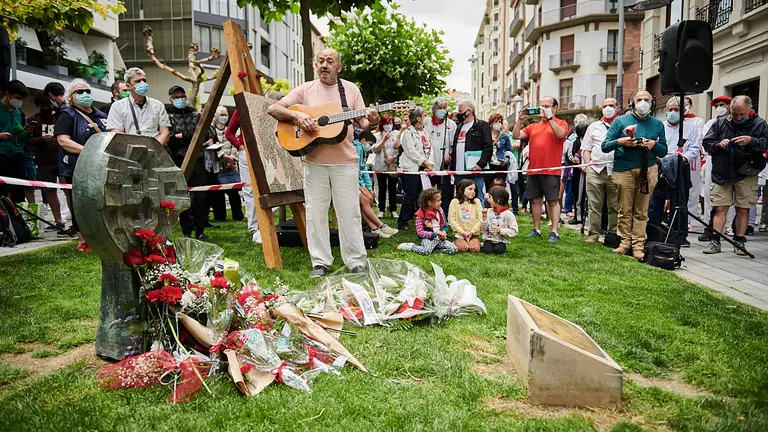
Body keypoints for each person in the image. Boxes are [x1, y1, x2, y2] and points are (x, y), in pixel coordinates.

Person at [267, 48, 378, 277]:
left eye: (330, 61)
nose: (324, 65)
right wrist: (298, 116)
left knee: (349, 212)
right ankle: (320, 262)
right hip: (314, 162)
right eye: (320, 61)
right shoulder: (305, 89)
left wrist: (373, 121)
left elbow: (364, 123)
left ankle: (355, 260)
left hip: (345, 162)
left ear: (339, 67)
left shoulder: (350, 90)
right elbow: (273, 108)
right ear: (315, 65)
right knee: (316, 213)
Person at [602, 90, 667, 260]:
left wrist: (653, 145)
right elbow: (605, 146)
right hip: (624, 168)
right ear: (632, 103)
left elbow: (664, 150)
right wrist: (620, 141)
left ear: (652, 103)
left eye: (647, 100)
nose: (643, 103)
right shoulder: (620, 121)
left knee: (642, 210)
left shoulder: (658, 124)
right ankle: (624, 243)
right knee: (625, 209)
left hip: (648, 169)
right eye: (640, 100)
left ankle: (639, 245)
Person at [701, 96, 767, 255]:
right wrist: (719, 144)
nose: (737, 118)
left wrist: (751, 141)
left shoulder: (759, 124)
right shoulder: (720, 123)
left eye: (742, 115)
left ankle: (739, 241)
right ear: (730, 109)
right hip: (723, 171)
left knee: (743, 209)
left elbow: (765, 143)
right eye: (735, 114)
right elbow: (707, 143)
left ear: (749, 110)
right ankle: (715, 241)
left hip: (746, 171)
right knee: (720, 208)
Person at [54, 79, 108, 251]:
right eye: (79, 92)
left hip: (100, 166)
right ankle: (83, 240)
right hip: (76, 167)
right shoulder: (67, 115)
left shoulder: (102, 116)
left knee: (100, 202)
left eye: (87, 91)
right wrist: (88, 150)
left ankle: (101, 237)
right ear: (71, 97)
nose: (85, 94)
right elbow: (63, 140)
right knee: (79, 205)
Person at [512, 96, 569, 242]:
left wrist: (550, 119)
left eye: (547, 105)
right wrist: (520, 120)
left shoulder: (561, 123)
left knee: (553, 200)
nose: (543, 108)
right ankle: (536, 229)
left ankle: (554, 231)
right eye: (542, 105)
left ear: (555, 108)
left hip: (552, 169)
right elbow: (516, 135)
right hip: (534, 169)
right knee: (535, 200)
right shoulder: (533, 126)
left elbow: (560, 134)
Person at [648, 97, 701, 248]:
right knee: (656, 200)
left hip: (680, 166)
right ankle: (654, 230)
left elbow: (694, 148)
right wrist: (660, 158)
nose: (673, 112)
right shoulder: (659, 127)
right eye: (670, 109)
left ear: (683, 111)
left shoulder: (691, 128)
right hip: (660, 164)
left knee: (680, 201)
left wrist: (684, 159)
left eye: (676, 110)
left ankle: (680, 235)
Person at [165, 85, 208, 240]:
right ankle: (187, 231)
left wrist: (182, 136)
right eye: (176, 97)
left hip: (198, 159)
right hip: (178, 160)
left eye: (182, 96)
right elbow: (170, 139)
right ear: (170, 99)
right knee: (183, 196)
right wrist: (186, 138)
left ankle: (201, 230)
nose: (180, 99)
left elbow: (204, 134)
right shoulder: (166, 116)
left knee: (202, 196)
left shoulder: (195, 115)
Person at [582, 98, 620, 243]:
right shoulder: (593, 126)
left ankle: (613, 234)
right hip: (595, 170)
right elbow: (586, 149)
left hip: (615, 171)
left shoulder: (622, 125)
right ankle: (593, 234)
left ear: (617, 108)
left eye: (611, 105)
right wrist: (587, 166)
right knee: (594, 205)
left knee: (615, 205)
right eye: (605, 106)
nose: (608, 108)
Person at [27, 92, 65, 230]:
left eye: (48, 105)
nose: (46, 108)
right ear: (38, 106)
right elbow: (26, 142)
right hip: (44, 161)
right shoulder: (33, 120)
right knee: (50, 191)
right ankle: (58, 220)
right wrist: (41, 140)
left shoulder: (60, 117)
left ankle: (74, 220)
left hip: (62, 160)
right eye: (42, 106)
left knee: (68, 190)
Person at [106, 67, 171, 145]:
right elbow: (117, 133)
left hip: (155, 151)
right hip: (129, 152)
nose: (143, 83)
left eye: (144, 80)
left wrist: (155, 149)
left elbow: (165, 132)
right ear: (128, 86)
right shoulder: (118, 106)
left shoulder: (157, 105)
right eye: (138, 81)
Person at [699, 96, 732, 242]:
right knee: (709, 193)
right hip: (714, 160)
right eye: (717, 105)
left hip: (732, 162)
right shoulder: (711, 123)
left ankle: (729, 226)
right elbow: (706, 141)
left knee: (730, 196)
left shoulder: (735, 122)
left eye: (722, 104)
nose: (720, 107)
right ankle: (709, 225)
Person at [448, 100, 493, 207]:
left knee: (477, 196)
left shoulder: (482, 125)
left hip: (475, 169)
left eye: (460, 111)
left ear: (468, 112)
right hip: (459, 170)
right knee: (461, 197)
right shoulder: (459, 127)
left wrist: (481, 163)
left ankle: (481, 219)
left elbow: (488, 147)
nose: (458, 114)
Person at [355, 131, 398, 238]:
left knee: (369, 198)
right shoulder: (358, 148)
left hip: (358, 182)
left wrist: (369, 187)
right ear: (363, 140)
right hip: (352, 182)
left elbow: (363, 169)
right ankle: (379, 226)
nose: (369, 147)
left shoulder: (363, 150)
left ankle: (371, 227)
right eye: (369, 144)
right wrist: (361, 186)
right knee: (365, 200)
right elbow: (355, 169)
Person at [397, 107, 433, 230]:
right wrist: (424, 162)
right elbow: (410, 152)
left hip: (422, 168)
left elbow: (428, 148)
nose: (426, 117)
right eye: (425, 115)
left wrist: (429, 163)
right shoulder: (408, 132)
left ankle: (420, 218)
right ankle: (403, 221)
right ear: (418, 118)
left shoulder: (424, 131)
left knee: (420, 194)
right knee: (410, 194)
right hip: (410, 168)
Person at [396, 187, 458, 255]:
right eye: (438, 201)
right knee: (426, 251)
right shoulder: (420, 215)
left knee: (454, 249)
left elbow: (445, 225)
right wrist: (434, 234)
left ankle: (435, 249)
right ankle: (411, 246)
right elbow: (420, 232)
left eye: (440, 200)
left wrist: (443, 232)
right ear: (430, 202)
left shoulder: (440, 210)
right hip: (427, 238)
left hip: (439, 238)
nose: (441, 202)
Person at [208, 106, 243, 222]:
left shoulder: (230, 130)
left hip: (231, 167)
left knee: (234, 193)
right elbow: (214, 148)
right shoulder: (212, 131)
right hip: (218, 166)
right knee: (218, 194)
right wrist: (225, 158)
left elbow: (235, 144)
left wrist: (232, 159)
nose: (224, 117)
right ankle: (220, 217)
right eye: (221, 115)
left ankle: (238, 216)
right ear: (216, 117)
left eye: (225, 115)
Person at [0, 80, 31, 203]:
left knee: (18, 191)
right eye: (18, 98)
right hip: (1, 154)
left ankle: (17, 220)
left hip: (17, 155)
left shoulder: (20, 114)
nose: (19, 101)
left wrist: (27, 132)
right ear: (8, 94)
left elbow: (22, 140)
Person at [424, 97, 457, 209]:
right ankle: (428, 213)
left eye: (444, 108)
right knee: (429, 192)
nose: (442, 110)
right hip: (429, 164)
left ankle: (444, 214)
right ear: (433, 110)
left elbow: (453, 144)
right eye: (440, 108)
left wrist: (449, 154)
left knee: (445, 192)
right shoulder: (426, 123)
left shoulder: (451, 125)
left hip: (445, 164)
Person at [372, 114, 400, 219]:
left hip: (393, 164)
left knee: (393, 187)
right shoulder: (377, 135)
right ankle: (381, 209)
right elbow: (375, 150)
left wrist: (393, 157)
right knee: (381, 186)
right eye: (386, 123)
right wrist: (383, 140)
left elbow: (399, 148)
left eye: (390, 123)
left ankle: (393, 209)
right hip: (380, 165)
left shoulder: (397, 134)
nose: (388, 126)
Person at [481, 185, 519, 254]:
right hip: (489, 239)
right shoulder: (489, 211)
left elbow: (514, 231)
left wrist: (501, 230)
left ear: (498, 200)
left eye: (490, 197)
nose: (488, 200)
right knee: (487, 250)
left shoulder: (508, 214)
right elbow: (483, 228)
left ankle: (500, 247)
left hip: (501, 241)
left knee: (498, 250)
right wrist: (484, 218)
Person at [448, 179, 483, 253]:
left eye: (474, 190)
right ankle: (457, 242)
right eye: (470, 189)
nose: (473, 191)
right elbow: (451, 220)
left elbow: (480, 219)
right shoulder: (455, 202)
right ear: (462, 189)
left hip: (473, 234)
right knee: (463, 248)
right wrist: (463, 232)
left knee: (474, 249)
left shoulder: (477, 202)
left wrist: (472, 232)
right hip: (460, 234)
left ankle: (474, 241)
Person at [485, 113, 514, 189]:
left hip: (500, 165)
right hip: (488, 165)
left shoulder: (504, 136)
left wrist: (506, 160)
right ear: (491, 123)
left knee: (500, 187)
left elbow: (509, 150)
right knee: (489, 187)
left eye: (500, 122)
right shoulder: (485, 135)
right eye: (496, 122)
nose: (498, 124)